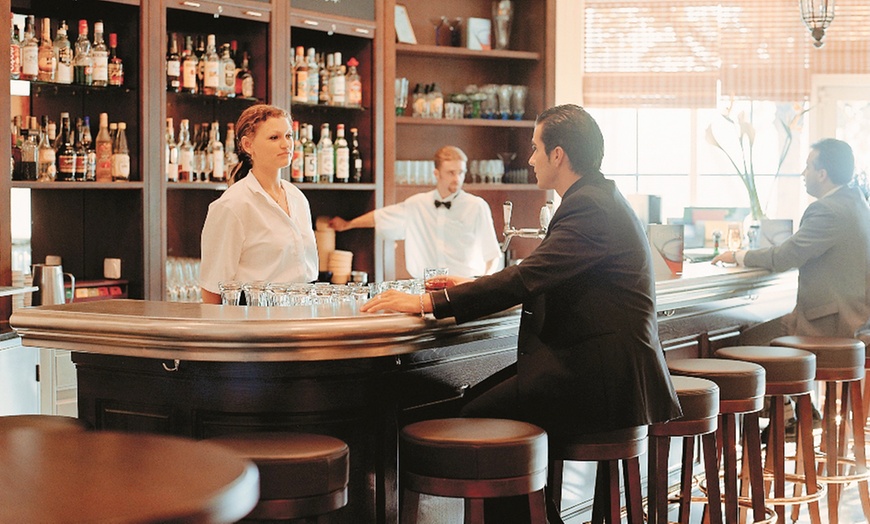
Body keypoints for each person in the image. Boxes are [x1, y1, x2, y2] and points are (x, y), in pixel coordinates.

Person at [362, 104, 682, 522]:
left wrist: (428, 303)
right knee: (474, 404)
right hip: (600, 370)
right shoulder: (595, 198)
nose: (530, 159)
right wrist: (467, 286)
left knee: (475, 416)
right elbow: (542, 277)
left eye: (535, 148)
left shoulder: (589, 207)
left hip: (600, 380)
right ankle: (540, 515)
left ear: (558, 155)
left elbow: (527, 276)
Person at [712, 138, 870, 342]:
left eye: (807, 167)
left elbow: (785, 257)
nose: (803, 173)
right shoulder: (859, 205)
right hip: (858, 320)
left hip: (831, 326)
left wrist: (737, 255)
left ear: (822, 175)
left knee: (743, 341)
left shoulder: (827, 210)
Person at [199, 104, 318, 304]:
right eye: (274, 137)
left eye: (288, 136)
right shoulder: (232, 205)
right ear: (248, 145)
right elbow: (212, 290)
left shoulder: (297, 198)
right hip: (253, 323)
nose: (286, 144)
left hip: (300, 316)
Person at [328, 146, 502, 279]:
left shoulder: (477, 206)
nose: (457, 178)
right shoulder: (417, 204)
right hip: (426, 290)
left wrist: (483, 285)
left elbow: (492, 255)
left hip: (466, 289)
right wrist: (348, 225)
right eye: (451, 173)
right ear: (436, 173)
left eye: (461, 172)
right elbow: (380, 217)